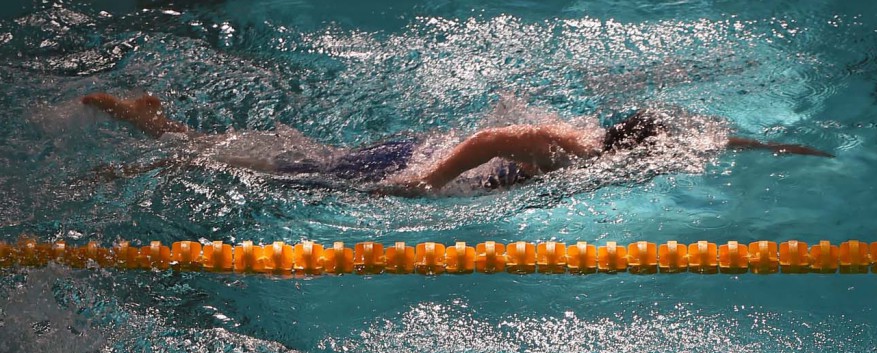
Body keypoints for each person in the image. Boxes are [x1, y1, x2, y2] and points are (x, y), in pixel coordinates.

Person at [81, 92, 833, 193]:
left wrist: (785, 152)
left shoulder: (605, 149)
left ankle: (170, 131)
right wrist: (429, 182)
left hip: (427, 160)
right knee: (295, 172)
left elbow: (717, 139)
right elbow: (496, 135)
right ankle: (162, 132)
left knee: (297, 163)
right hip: (412, 165)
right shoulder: (575, 151)